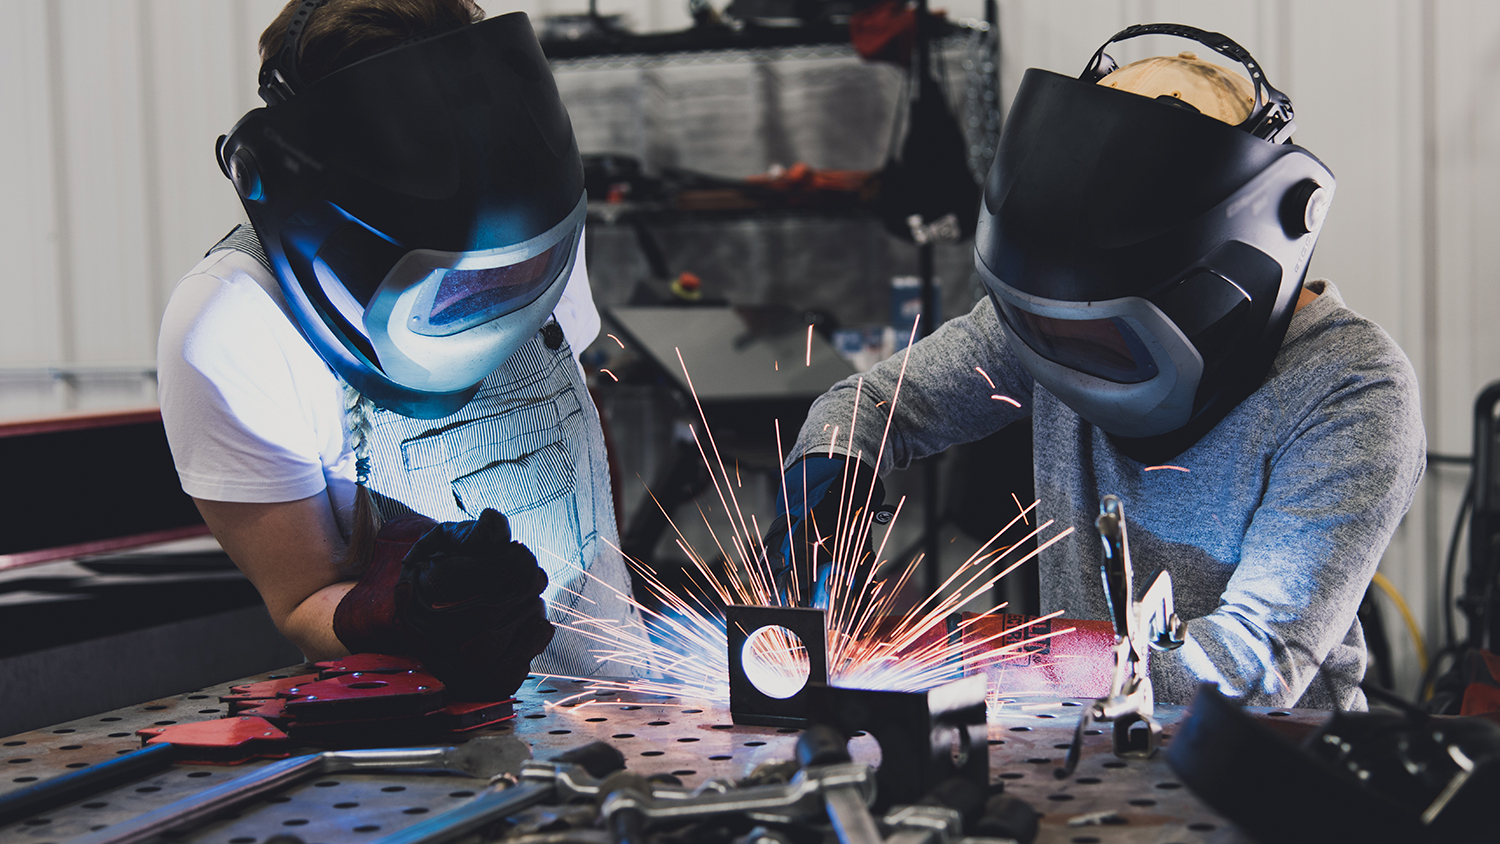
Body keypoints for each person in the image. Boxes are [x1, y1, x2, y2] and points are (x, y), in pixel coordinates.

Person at [773, 24, 1425, 710]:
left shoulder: (1350, 388)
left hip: (1267, 779)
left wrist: (990, 651)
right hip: (1080, 762)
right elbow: (877, 403)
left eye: (1106, 333)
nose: (1065, 346)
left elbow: (1250, 666)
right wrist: (833, 468)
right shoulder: (1049, 320)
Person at [157, 0, 639, 698]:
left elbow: (579, 416)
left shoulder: (532, 218)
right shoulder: (231, 322)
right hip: (428, 759)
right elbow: (301, 604)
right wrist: (397, 614)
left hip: (625, 703)